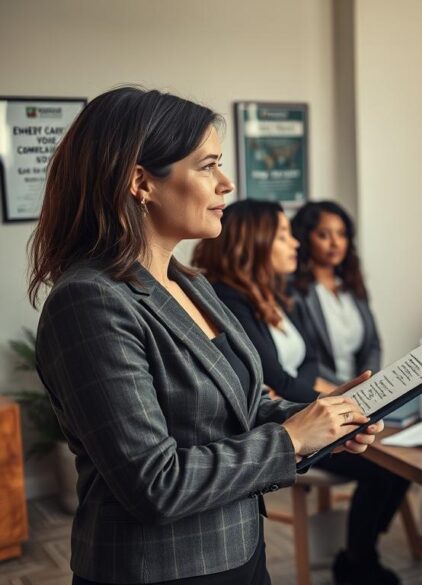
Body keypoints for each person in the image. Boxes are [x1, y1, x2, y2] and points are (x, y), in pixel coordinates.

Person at [29, 87, 380, 584]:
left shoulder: (190, 282)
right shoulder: (90, 301)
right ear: (140, 182)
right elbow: (156, 483)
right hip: (161, 571)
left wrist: (322, 420)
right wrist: (291, 440)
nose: (227, 183)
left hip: (239, 550)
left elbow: (243, 405)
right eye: (207, 165)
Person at [192, 200, 408, 585]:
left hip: (305, 408)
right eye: (284, 235)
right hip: (286, 426)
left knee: (399, 456)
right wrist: (337, 405)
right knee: (385, 465)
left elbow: (306, 360)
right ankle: (359, 561)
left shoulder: (270, 294)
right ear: (253, 242)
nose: (295, 244)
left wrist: (341, 400)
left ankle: (359, 553)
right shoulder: (229, 300)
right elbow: (275, 377)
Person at [289, 201, 380, 384]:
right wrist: (344, 389)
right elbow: (304, 357)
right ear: (305, 238)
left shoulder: (352, 286)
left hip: (363, 393)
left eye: (342, 234)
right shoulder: (293, 291)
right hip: (321, 394)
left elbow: (372, 345)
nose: (335, 243)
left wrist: (367, 382)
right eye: (323, 235)